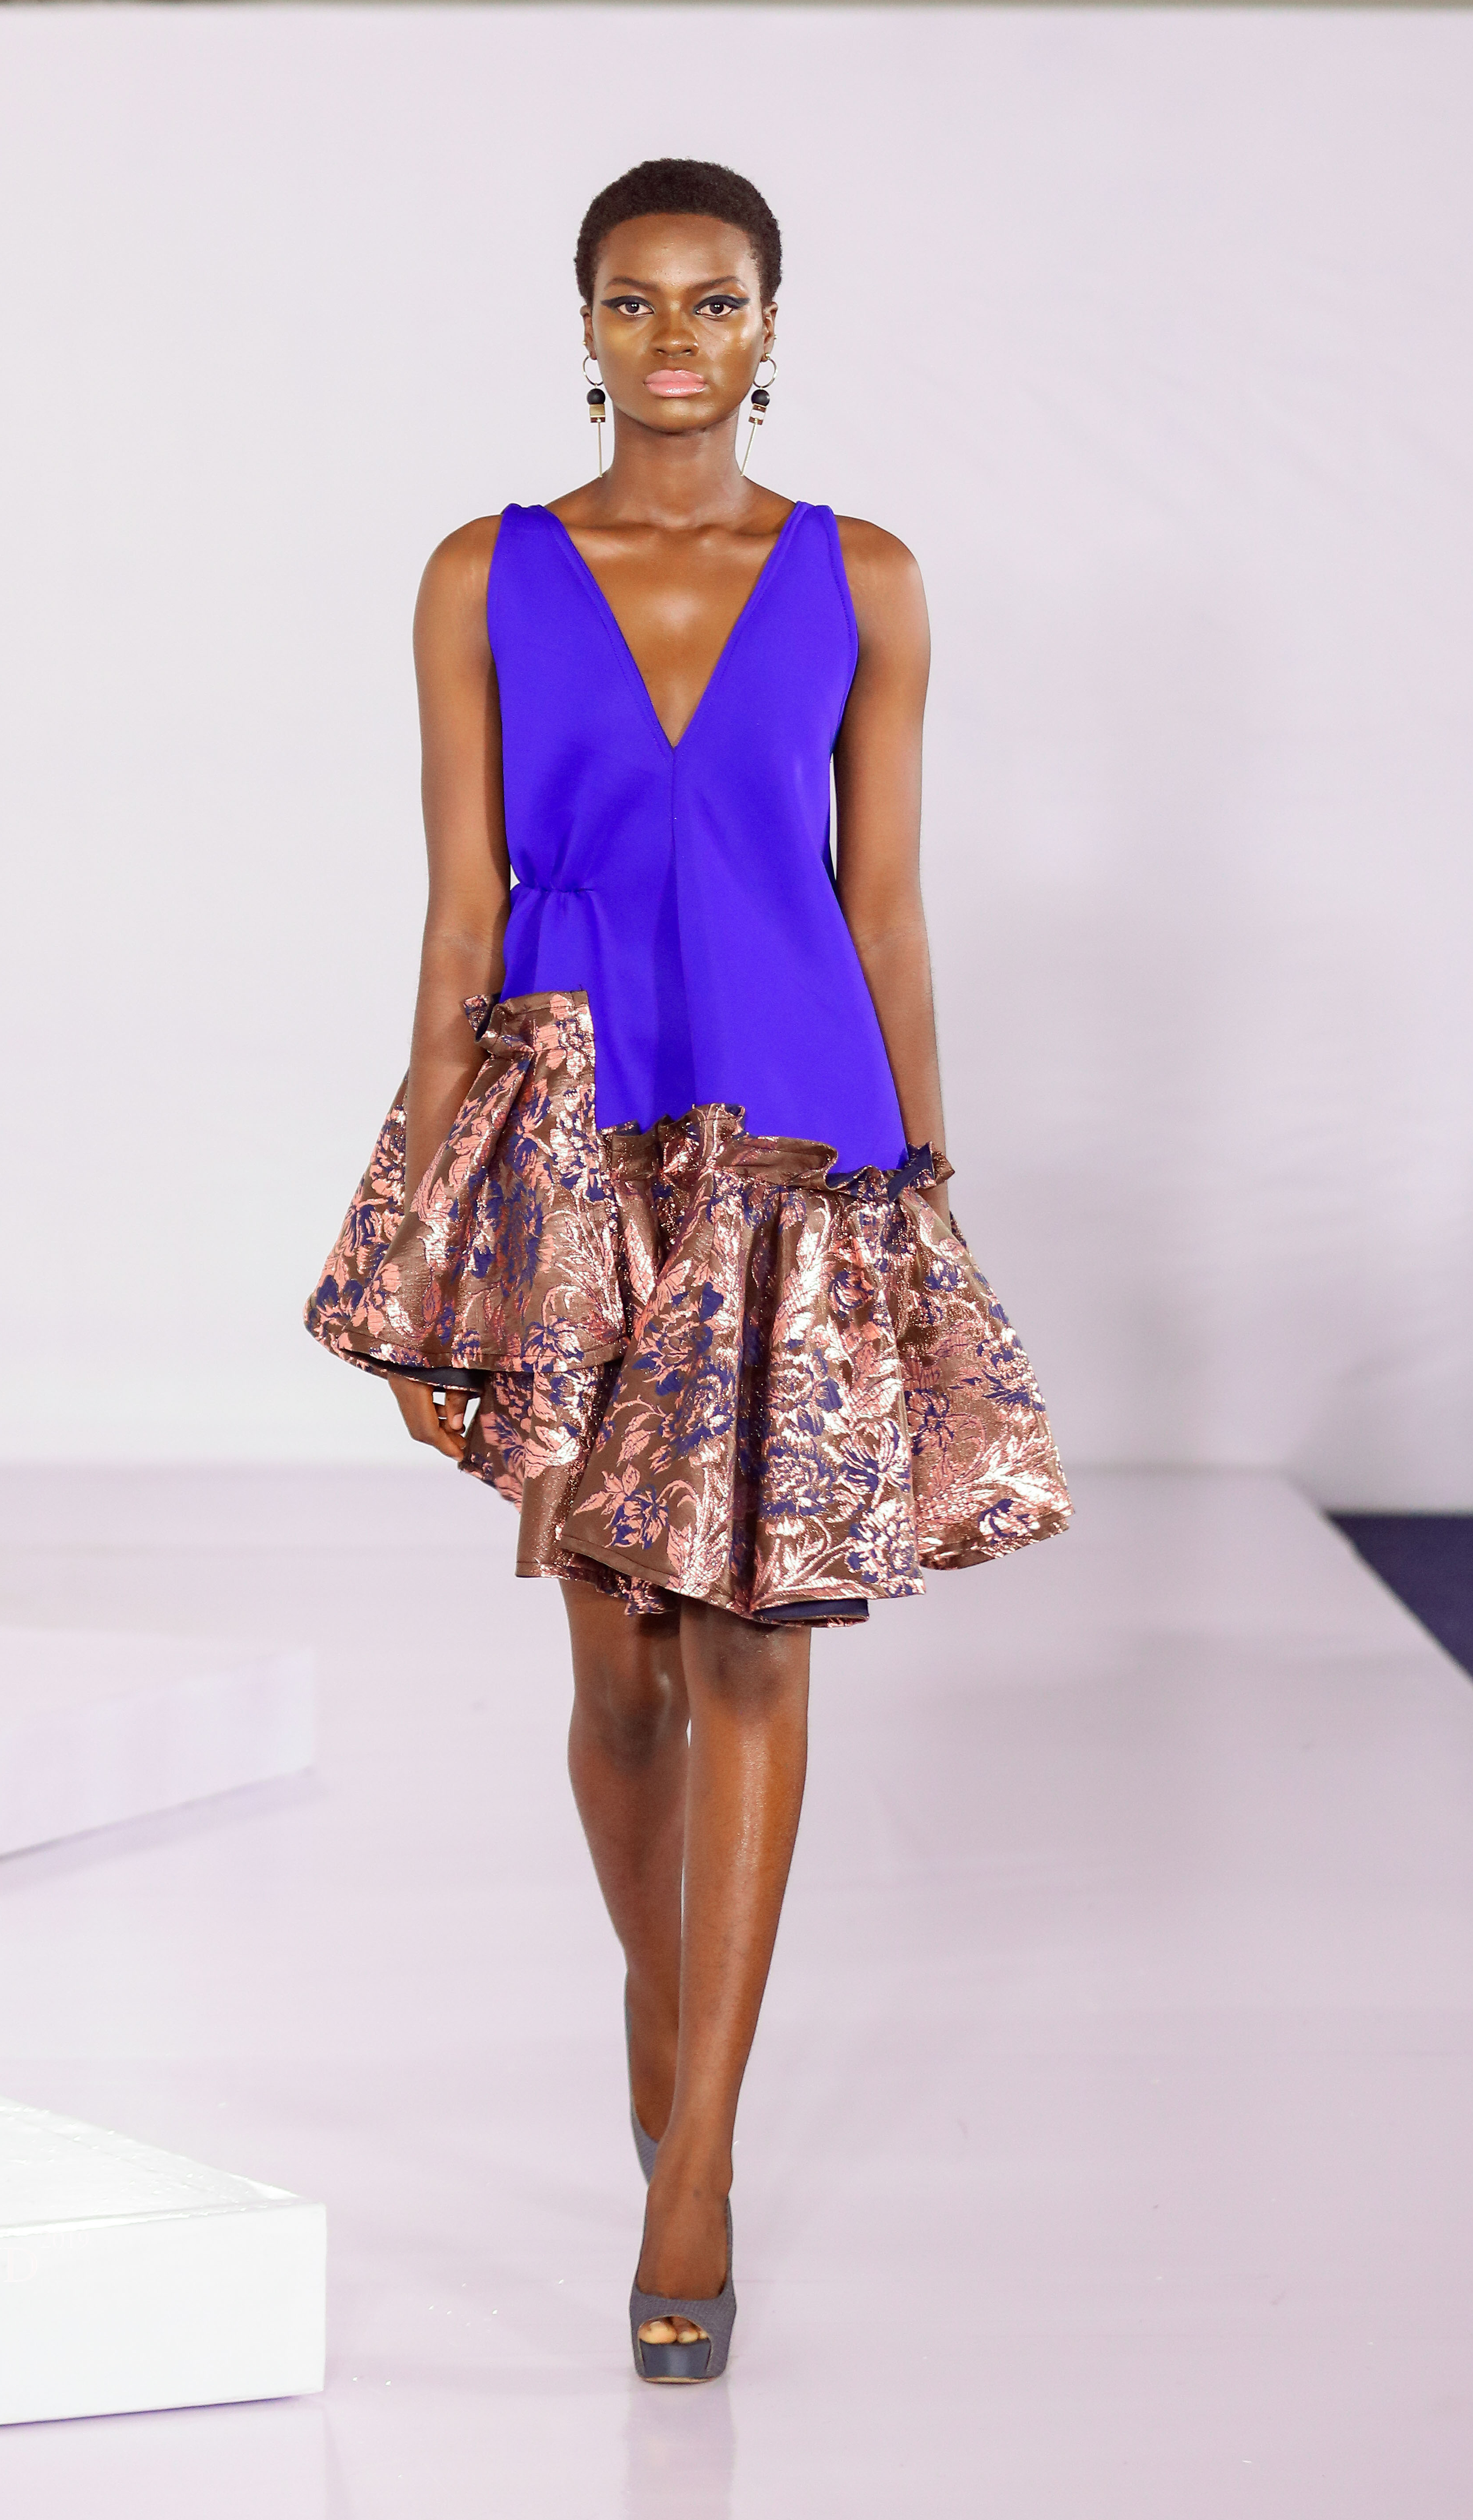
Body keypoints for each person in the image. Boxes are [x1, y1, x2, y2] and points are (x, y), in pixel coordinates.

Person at [308, 157, 1069, 2383]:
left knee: (749, 1642)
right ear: (582, 324)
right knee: (619, 1669)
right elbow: (459, 916)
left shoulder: (864, 579)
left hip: (792, 1140)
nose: (674, 338)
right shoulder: (480, 574)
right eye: (634, 301)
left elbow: (884, 901)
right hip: (574, 1151)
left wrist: (919, 1191)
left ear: (767, 328)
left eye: (713, 300)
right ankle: (665, 2002)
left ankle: (695, 2158)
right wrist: (423, 1235)